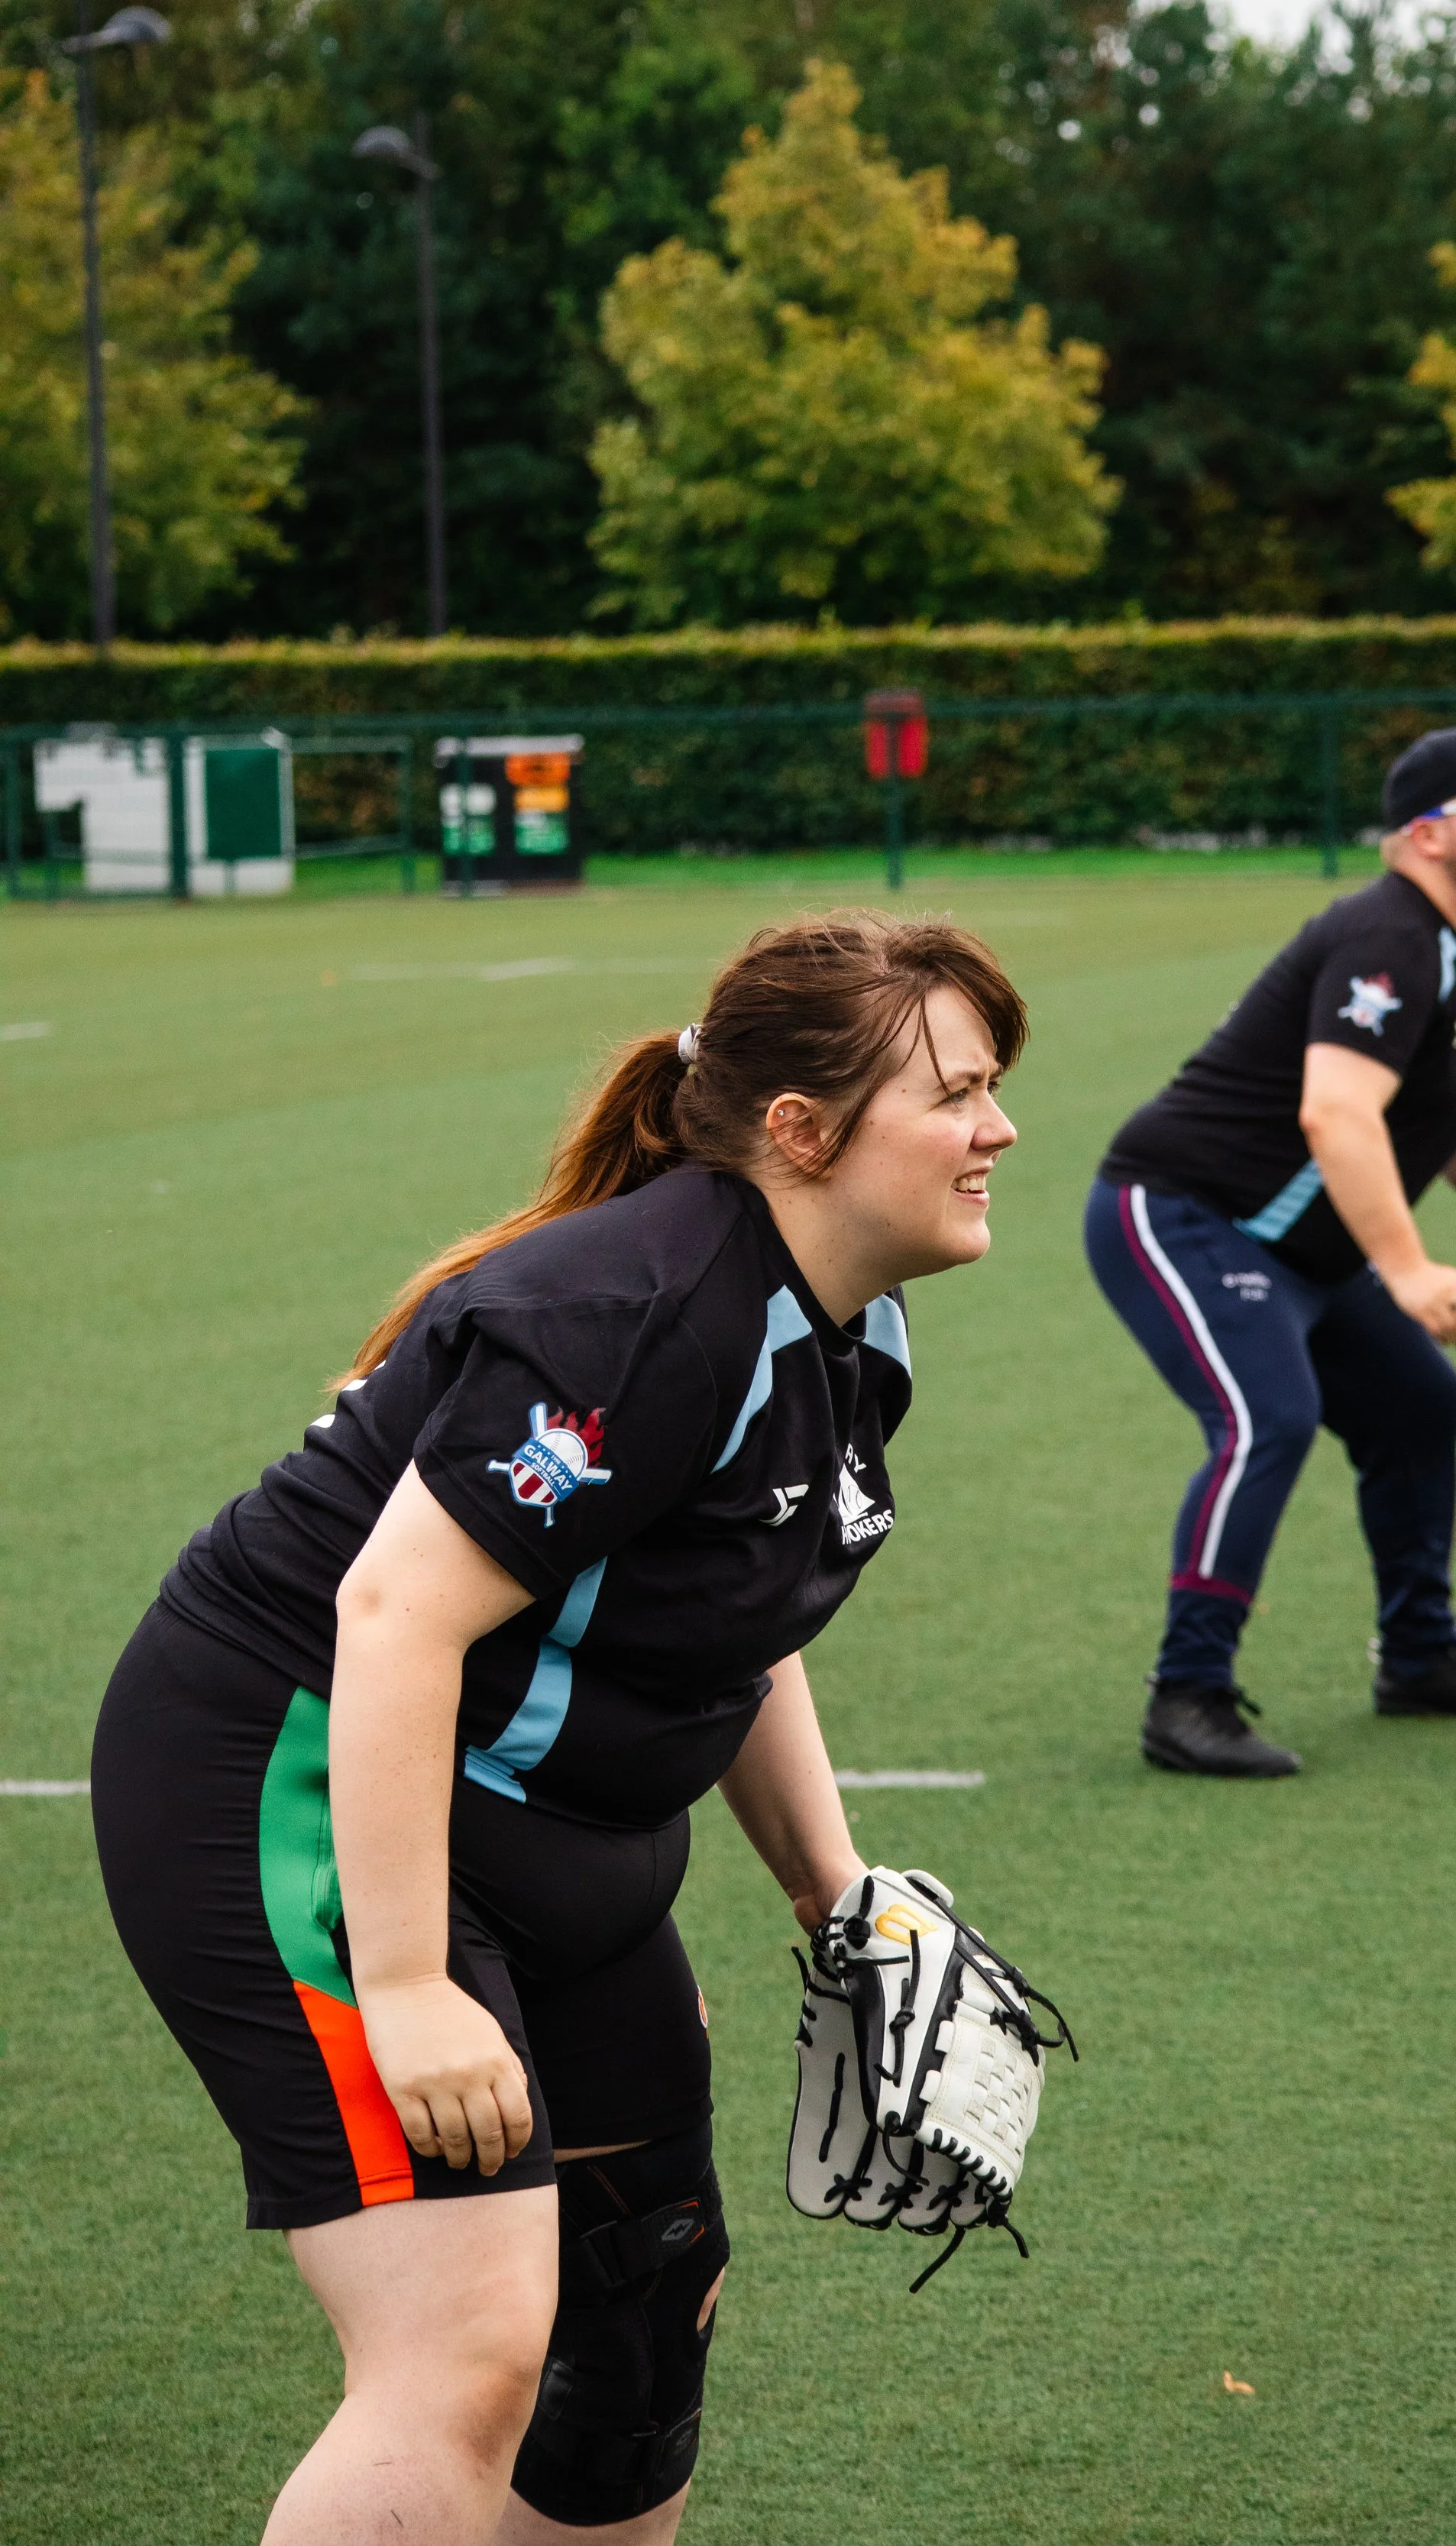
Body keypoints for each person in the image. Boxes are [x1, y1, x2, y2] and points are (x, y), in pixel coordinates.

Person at [92, 911, 1026, 2545]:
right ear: (800, 1133)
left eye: (992, 1085)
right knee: (463, 2353)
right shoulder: (646, 1306)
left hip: (555, 1832)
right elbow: (390, 1619)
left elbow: (737, 1626)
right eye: (952, 1091)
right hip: (304, 1777)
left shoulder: (844, 1323)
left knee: (640, 2311)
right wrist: (401, 1981)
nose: (997, 1127)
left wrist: (837, 1893)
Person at [1086, 723, 1456, 1779]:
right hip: (1185, 1214)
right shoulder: (1389, 937)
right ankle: (1186, 1695)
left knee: (1420, 1405)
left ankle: (1418, 1658)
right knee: (1265, 1417)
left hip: (1300, 1251)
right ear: (1424, 835)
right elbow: (1338, 1113)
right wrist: (1411, 1272)